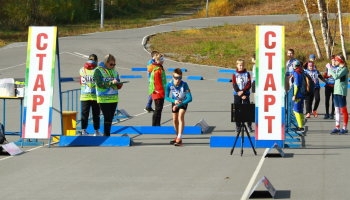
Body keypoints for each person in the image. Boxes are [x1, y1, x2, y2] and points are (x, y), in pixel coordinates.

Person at [93, 54, 123, 136]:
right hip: (103, 98)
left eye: (114, 64)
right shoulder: (98, 71)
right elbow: (99, 84)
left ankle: (107, 134)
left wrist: (119, 84)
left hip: (113, 98)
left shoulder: (114, 72)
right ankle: (106, 135)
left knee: (110, 118)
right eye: (111, 64)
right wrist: (110, 83)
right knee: (107, 117)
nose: (112, 66)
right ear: (106, 62)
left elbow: (117, 82)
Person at [165, 68, 192, 146]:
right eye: (176, 78)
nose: (178, 80)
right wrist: (174, 101)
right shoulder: (169, 84)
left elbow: (190, 98)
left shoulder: (184, 84)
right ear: (173, 77)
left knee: (180, 116)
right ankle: (177, 136)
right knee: (174, 119)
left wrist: (180, 104)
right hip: (175, 101)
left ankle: (179, 138)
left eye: (180, 78)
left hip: (183, 102)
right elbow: (166, 97)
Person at [79, 54, 102, 136]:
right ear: (96, 61)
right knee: (96, 114)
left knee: (84, 114)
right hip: (95, 96)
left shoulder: (82, 70)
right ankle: (96, 131)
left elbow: (81, 82)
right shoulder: (97, 70)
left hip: (84, 95)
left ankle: (84, 131)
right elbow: (100, 83)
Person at [327, 55, 349, 135]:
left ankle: (344, 128)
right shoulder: (338, 68)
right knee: (337, 110)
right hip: (336, 91)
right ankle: (337, 127)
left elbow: (336, 76)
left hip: (341, 92)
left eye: (336, 60)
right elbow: (333, 74)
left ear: (340, 61)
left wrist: (330, 68)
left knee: (343, 110)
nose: (334, 62)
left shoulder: (344, 69)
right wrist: (331, 69)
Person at [232, 58, 252, 132]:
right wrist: (239, 93)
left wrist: (243, 91)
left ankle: (249, 125)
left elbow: (249, 84)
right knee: (237, 109)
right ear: (237, 65)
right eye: (240, 65)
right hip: (237, 94)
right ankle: (238, 126)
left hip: (245, 93)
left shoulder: (247, 74)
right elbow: (234, 84)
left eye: (243, 65)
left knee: (247, 109)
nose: (241, 67)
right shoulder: (235, 74)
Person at [148, 53, 167, 126]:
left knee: (159, 109)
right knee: (157, 109)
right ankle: (155, 124)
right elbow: (158, 83)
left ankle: (157, 124)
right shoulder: (157, 70)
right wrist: (162, 93)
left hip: (159, 92)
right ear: (161, 60)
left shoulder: (159, 68)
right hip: (158, 92)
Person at [292, 60, 305, 132]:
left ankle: (300, 127)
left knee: (296, 110)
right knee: (300, 110)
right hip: (303, 94)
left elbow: (296, 85)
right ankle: (301, 125)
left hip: (298, 94)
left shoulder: (296, 73)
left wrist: (294, 95)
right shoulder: (302, 71)